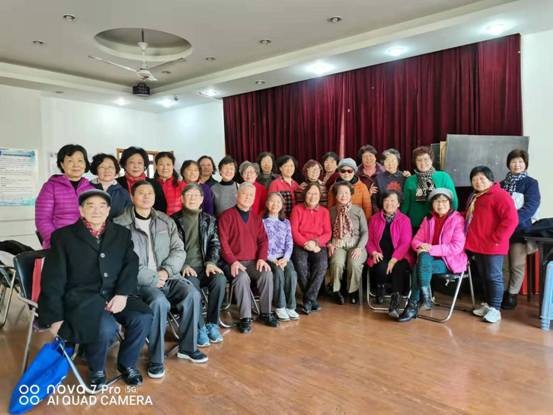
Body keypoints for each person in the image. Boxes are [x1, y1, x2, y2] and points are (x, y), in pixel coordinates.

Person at [38, 189, 152, 387]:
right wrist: (54, 318)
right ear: (81, 210)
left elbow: (130, 265)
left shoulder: (121, 234)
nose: (97, 210)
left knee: (143, 316)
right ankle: (96, 369)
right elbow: (52, 280)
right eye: (90, 206)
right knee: (105, 327)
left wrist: (122, 294)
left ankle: (126, 364)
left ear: (108, 210)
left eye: (102, 206)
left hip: (116, 294)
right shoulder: (63, 237)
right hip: (83, 299)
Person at [114, 181, 207, 379]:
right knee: (159, 301)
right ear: (132, 197)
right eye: (141, 193)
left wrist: (166, 270)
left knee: (192, 293)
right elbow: (120, 260)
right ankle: (156, 359)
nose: (146, 196)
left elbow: (179, 250)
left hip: (168, 275)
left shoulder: (165, 220)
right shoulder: (120, 224)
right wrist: (152, 277)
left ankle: (187, 348)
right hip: (140, 282)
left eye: (150, 193)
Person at [218, 182, 279, 333]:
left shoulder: (256, 218)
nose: (247, 197)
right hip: (232, 262)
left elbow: (263, 240)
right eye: (244, 193)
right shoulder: (226, 216)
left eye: (251, 195)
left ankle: (266, 313)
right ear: (237, 195)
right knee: (242, 277)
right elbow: (222, 243)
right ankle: (245, 318)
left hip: (253, 261)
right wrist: (233, 261)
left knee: (267, 273)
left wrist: (262, 258)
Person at [398, 188, 466, 322]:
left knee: (418, 266)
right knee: (423, 258)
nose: (440, 205)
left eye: (444, 201)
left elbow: (456, 247)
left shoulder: (458, 219)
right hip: (428, 260)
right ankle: (425, 296)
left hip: (449, 261)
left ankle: (413, 305)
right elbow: (416, 241)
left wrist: (430, 249)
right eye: (437, 201)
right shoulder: (428, 219)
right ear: (432, 204)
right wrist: (421, 247)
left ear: (450, 203)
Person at [172, 183, 227, 344]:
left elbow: (215, 244)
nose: (192, 198)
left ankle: (212, 324)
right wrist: (183, 265)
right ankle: (199, 327)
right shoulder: (172, 221)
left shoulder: (209, 220)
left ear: (202, 199)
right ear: (182, 198)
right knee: (192, 287)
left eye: (196, 195)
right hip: (185, 269)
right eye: (189, 195)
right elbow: (170, 248)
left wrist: (211, 262)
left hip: (205, 267)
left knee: (220, 280)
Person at [465, 166, 518, 324]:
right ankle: (488, 305)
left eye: (482, 178)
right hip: (478, 244)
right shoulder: (476, 196)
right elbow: (470, 217)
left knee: (494, 277)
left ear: (491, 179)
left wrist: (496, 238)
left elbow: (511, 220)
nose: (478, 182)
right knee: (484, 276)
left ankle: (496, 309)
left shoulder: (500, 195)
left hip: (493, 245)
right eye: (474, 179)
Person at [500, 149, 541, 309]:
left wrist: (510, 221)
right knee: (503, 265)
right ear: (508, 164)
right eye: (513, 161)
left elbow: (530, 207)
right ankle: (502, 292)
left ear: (525, 164)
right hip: (502, 231)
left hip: (520, 230)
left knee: (517, 264)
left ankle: (512, 295)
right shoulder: (501, 184)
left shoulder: (531, 183)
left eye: (520, 162)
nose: (517, 165)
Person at [35, 144, 95, 248]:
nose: (76, 165)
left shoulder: (92, 189)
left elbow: (96, 218)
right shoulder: (50, 186)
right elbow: (42, 219)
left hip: (86, 244)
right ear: (62, 164)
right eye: (70, 161)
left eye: (80, 161)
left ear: (85, 164)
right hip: (59, 243)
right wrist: (56, 240)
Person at [366, 190, 413, 317]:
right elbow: (368, 239)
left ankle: (395, 301)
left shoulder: (405, 220)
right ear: (382, 202)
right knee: (380, 266)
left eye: (393, 200)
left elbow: (405, 243)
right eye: (386, 200)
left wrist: (394, 259)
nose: (389, 203)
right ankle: (380, 287)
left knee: (398, 268)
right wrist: (373, 252)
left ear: (398, 204)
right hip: (380, 253)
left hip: (400, 256)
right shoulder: (374, 219)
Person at [290, 183, 331, 314]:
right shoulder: (297, 209)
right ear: (305, 195)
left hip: (318, 245)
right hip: (300, 244)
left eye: (315, 194)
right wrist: (305, 243)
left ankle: (308, 299)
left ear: (320, 196)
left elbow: (328, 233)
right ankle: (311, 300)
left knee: (322, 265)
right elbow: (294, 231)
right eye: (310, 193)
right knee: (300, 264)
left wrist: (316, 243)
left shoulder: (324, 212)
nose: (312, 196)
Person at [328, 182, 368, 305]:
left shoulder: (358, 210)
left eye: (346, 193)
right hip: (337, 244)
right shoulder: (331, 211)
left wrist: (359, 248)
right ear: (336, 196)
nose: (343, 196)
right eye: (340, 193)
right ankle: (336, 290)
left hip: (356, 245)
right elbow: (326, 231)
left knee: (354, 263)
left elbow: (365, 232)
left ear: (351, 195)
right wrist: (329, 243)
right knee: (337, 262)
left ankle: (353, 291)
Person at [262, 192, 299, 321]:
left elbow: (289, 242)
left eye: (278, 202)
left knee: (291, 273)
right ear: (267, 203)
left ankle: (290, 306)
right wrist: (273, 260)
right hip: (268, 258)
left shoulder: (286, 222)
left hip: (284, 257)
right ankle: (280, 306)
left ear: (282, 205)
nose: (275, 204)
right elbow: (260, 244)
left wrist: (286, 258)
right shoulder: (261, 222)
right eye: (272, 201)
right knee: (278, 273)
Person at [401, 146, 458, 229]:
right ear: (415, 162)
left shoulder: (443, 176)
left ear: (431, 160)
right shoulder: (410, 180)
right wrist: (401, 221)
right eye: (419, 160)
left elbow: (454, 201)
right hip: (415, 223)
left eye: (426, 159)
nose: (423, 163)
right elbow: (405, 204)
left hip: (438, 223)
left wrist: (450, 219)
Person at [116, 146, 167, 213]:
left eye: (140, 163)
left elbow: (161, 208)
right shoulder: (116, 183)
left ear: (144, 165)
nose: (136, 166)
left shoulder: (154, 184)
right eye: (131, 162)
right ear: (125, 165)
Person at [90, 153, 131, 219]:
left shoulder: (123, 193)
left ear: (115, 170)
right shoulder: (86, 188)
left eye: (110, 167)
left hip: (116, 225)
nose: (107, 170)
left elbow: (128, 216)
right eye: (102, 167)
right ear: (96, 170)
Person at [154, 152, 186, 216]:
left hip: (176, 221)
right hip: (154, 220)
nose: (165, 167)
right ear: (156, 166)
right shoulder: (150, 185)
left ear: (173, 166)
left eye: (168, 164)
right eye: (161, 164)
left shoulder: (182, 185)